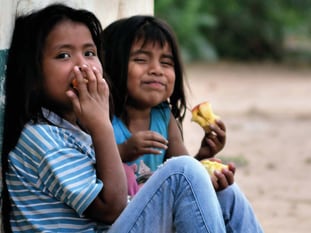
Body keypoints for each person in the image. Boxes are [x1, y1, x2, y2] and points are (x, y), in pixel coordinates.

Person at [1, 3, 259, 233]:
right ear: (33, 75)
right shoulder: (42, 137)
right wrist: (101, 123)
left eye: (90, 53)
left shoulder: (73, 129)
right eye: (63, 55)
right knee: (183, 171)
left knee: (225, 193)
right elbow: (111, 207)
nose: (83, 66)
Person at [102, 15, 264, 232]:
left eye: (166, 62)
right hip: (122, 222)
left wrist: (203, 159)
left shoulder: (163, 116)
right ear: (113, 64)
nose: (156, 69)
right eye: (141, 60)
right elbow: (91, 172)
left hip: (159, 222)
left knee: (227, 192)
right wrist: (122, 151)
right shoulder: (103, 118)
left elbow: (184, 178)